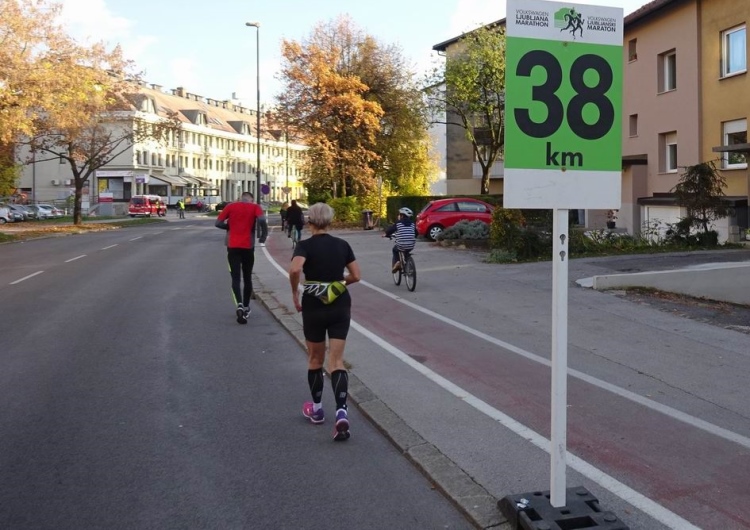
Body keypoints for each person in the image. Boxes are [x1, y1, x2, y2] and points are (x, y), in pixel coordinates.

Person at [289, 203, 361, 441]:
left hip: (314, 306)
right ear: (330, 221)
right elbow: (356, 275)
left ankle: (317, 410)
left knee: (315, 359)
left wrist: (295, 292)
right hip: (340, 304)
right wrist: (338, 284)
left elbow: (295, 269)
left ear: (309, 222)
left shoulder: (305, 245)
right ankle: (342, 413)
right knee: (337, 361)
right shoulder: (342, 245)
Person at [215, 192, 266, 324]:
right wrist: (263, 236)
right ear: (251, 199)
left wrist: (229, 226)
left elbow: (218, 223)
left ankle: (239, 304)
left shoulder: (230, 206)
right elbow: (262, 221)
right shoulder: (255, 207)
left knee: (235, 277)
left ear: (240, 198)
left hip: (232, 247)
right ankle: (247, 306)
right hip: (248, 247)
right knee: (247, 277)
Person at [383, 207, 417, 272]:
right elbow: (416, 233)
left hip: (401, 245)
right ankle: (407, 264)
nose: (399, 216)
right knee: (407, 250)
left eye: (399, 214)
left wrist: (386, 234)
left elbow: (391, 230)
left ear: (402, 215)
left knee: (395, 250)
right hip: (411, 245)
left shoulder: (398, 223)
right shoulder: (413, 224)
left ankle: (397, 263)